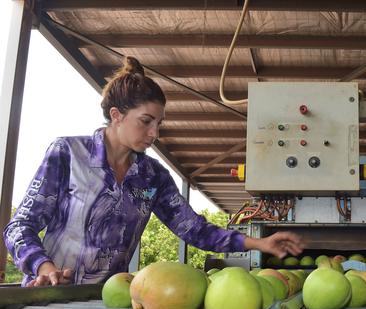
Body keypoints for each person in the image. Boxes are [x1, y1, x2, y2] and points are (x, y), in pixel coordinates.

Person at [4, 56, 303, 287]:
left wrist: (258, 243)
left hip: (110, 299)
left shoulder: (152, 176)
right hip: (52, 294)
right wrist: (44, 267)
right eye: (146, 121)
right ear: (116, 115)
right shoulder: (68, 154)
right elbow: (19, 226)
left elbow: (194, 229)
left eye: (159, 123)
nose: (154, 133)